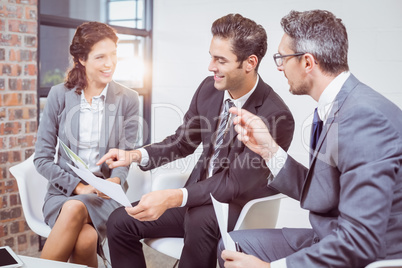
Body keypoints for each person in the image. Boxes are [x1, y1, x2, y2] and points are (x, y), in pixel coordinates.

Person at [98, 13, 294, 268]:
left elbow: (233, 183)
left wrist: (173, 197)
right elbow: (182, 142)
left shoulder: (275, 114)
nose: (211, 66)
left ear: (249, 63)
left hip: (239, 207)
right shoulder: (209, 88)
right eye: (211, 56)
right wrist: (135, 155)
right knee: (120, 221)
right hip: (195, 196)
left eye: (220, 60)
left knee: (200, 220)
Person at [219, 9, 402, 268]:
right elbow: (325, 191)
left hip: (363, 253)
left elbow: (361, 240)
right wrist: (270, 150)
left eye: (282, 57)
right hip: (329, 235)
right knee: (232, 246)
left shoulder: (364, 119)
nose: (279, 66)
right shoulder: (335, 105)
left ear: (307, 62)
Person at [34, 21, 140, 267]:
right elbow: (41, 159)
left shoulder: (129, 99)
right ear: (82, 59)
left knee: (78, 220)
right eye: (100, 57)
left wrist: (115, 180)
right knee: (84, 238)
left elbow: (123, 157)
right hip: (63, 194)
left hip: (105, 196)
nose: (109, 63)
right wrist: (79, 188)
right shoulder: (59, 95)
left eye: (113, 55)